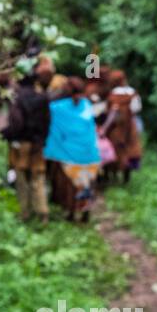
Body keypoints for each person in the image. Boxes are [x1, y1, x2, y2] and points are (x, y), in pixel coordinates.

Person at [1, 53, 55, 222]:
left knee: (22, 179)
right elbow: (47, 122)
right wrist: (42, 140)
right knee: (38, 177)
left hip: (21, 143)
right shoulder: (42, 97)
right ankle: (43, 214)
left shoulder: (17, 97)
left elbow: (15, 122)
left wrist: (9, 137)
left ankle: (24, 213)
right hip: (38, 144)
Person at [43, 76, 102, 222]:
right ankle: (85, 212)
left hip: (69, 153)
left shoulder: (58, 107)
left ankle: (71, 211)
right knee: (86, 183)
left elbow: (45, 108)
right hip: (89, 153)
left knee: (70, 185)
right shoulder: (87, 105)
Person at [103, 69, 144, 183]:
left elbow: (108, 111)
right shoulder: (132, 93)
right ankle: (126, 179)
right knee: (129, 150)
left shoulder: (112, 95)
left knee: (114, 150)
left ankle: (111, 176)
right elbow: (136, 109)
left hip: (115, 128)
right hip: (129, 128)